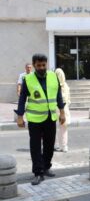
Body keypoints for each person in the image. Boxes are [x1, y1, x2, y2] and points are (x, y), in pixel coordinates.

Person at [15, 54, 66, 185]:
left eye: (44, 65)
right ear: (34, 65)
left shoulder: (53, 76)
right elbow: (22, 99)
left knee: (49, 145)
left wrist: (62, 112)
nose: (42, 67)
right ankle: (38, 172)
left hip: (50, 117)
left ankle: (46, 167)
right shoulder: (28, 79)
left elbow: (58, 96)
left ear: (46, 64)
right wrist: (20, 116)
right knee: (36, 147)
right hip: (34, 119)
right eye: (39, 65)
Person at [54, 68, 71, 153]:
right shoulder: (65, 85)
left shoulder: (55, 85)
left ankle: (59, 145)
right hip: (62, 109)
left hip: (58, 109)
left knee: (58, 128)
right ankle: (62, 146)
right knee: (62, 128)